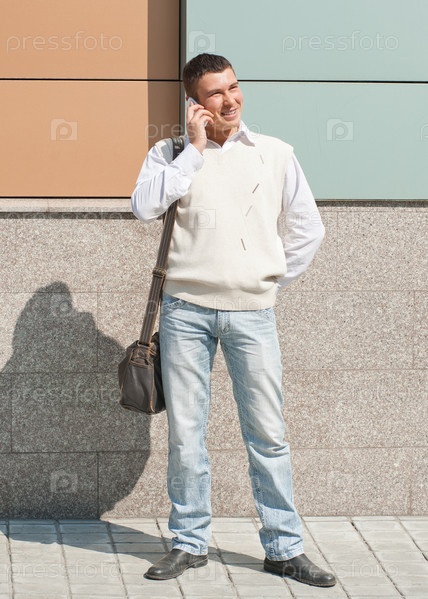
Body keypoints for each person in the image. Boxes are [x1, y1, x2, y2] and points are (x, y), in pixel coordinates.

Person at [131, 53, 336, 588]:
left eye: (234, 87)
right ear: (194, 103)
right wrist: (194, 152)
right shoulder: (170, 154)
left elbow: (308, 228)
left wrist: (267, 281)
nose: (230, 100)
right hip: (185, 312)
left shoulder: (275, 153)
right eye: (215, 93)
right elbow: (143, 206)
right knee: (186, 434)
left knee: (268, 433)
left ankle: (284, 548)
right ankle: (189, 543)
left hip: (253, 314)